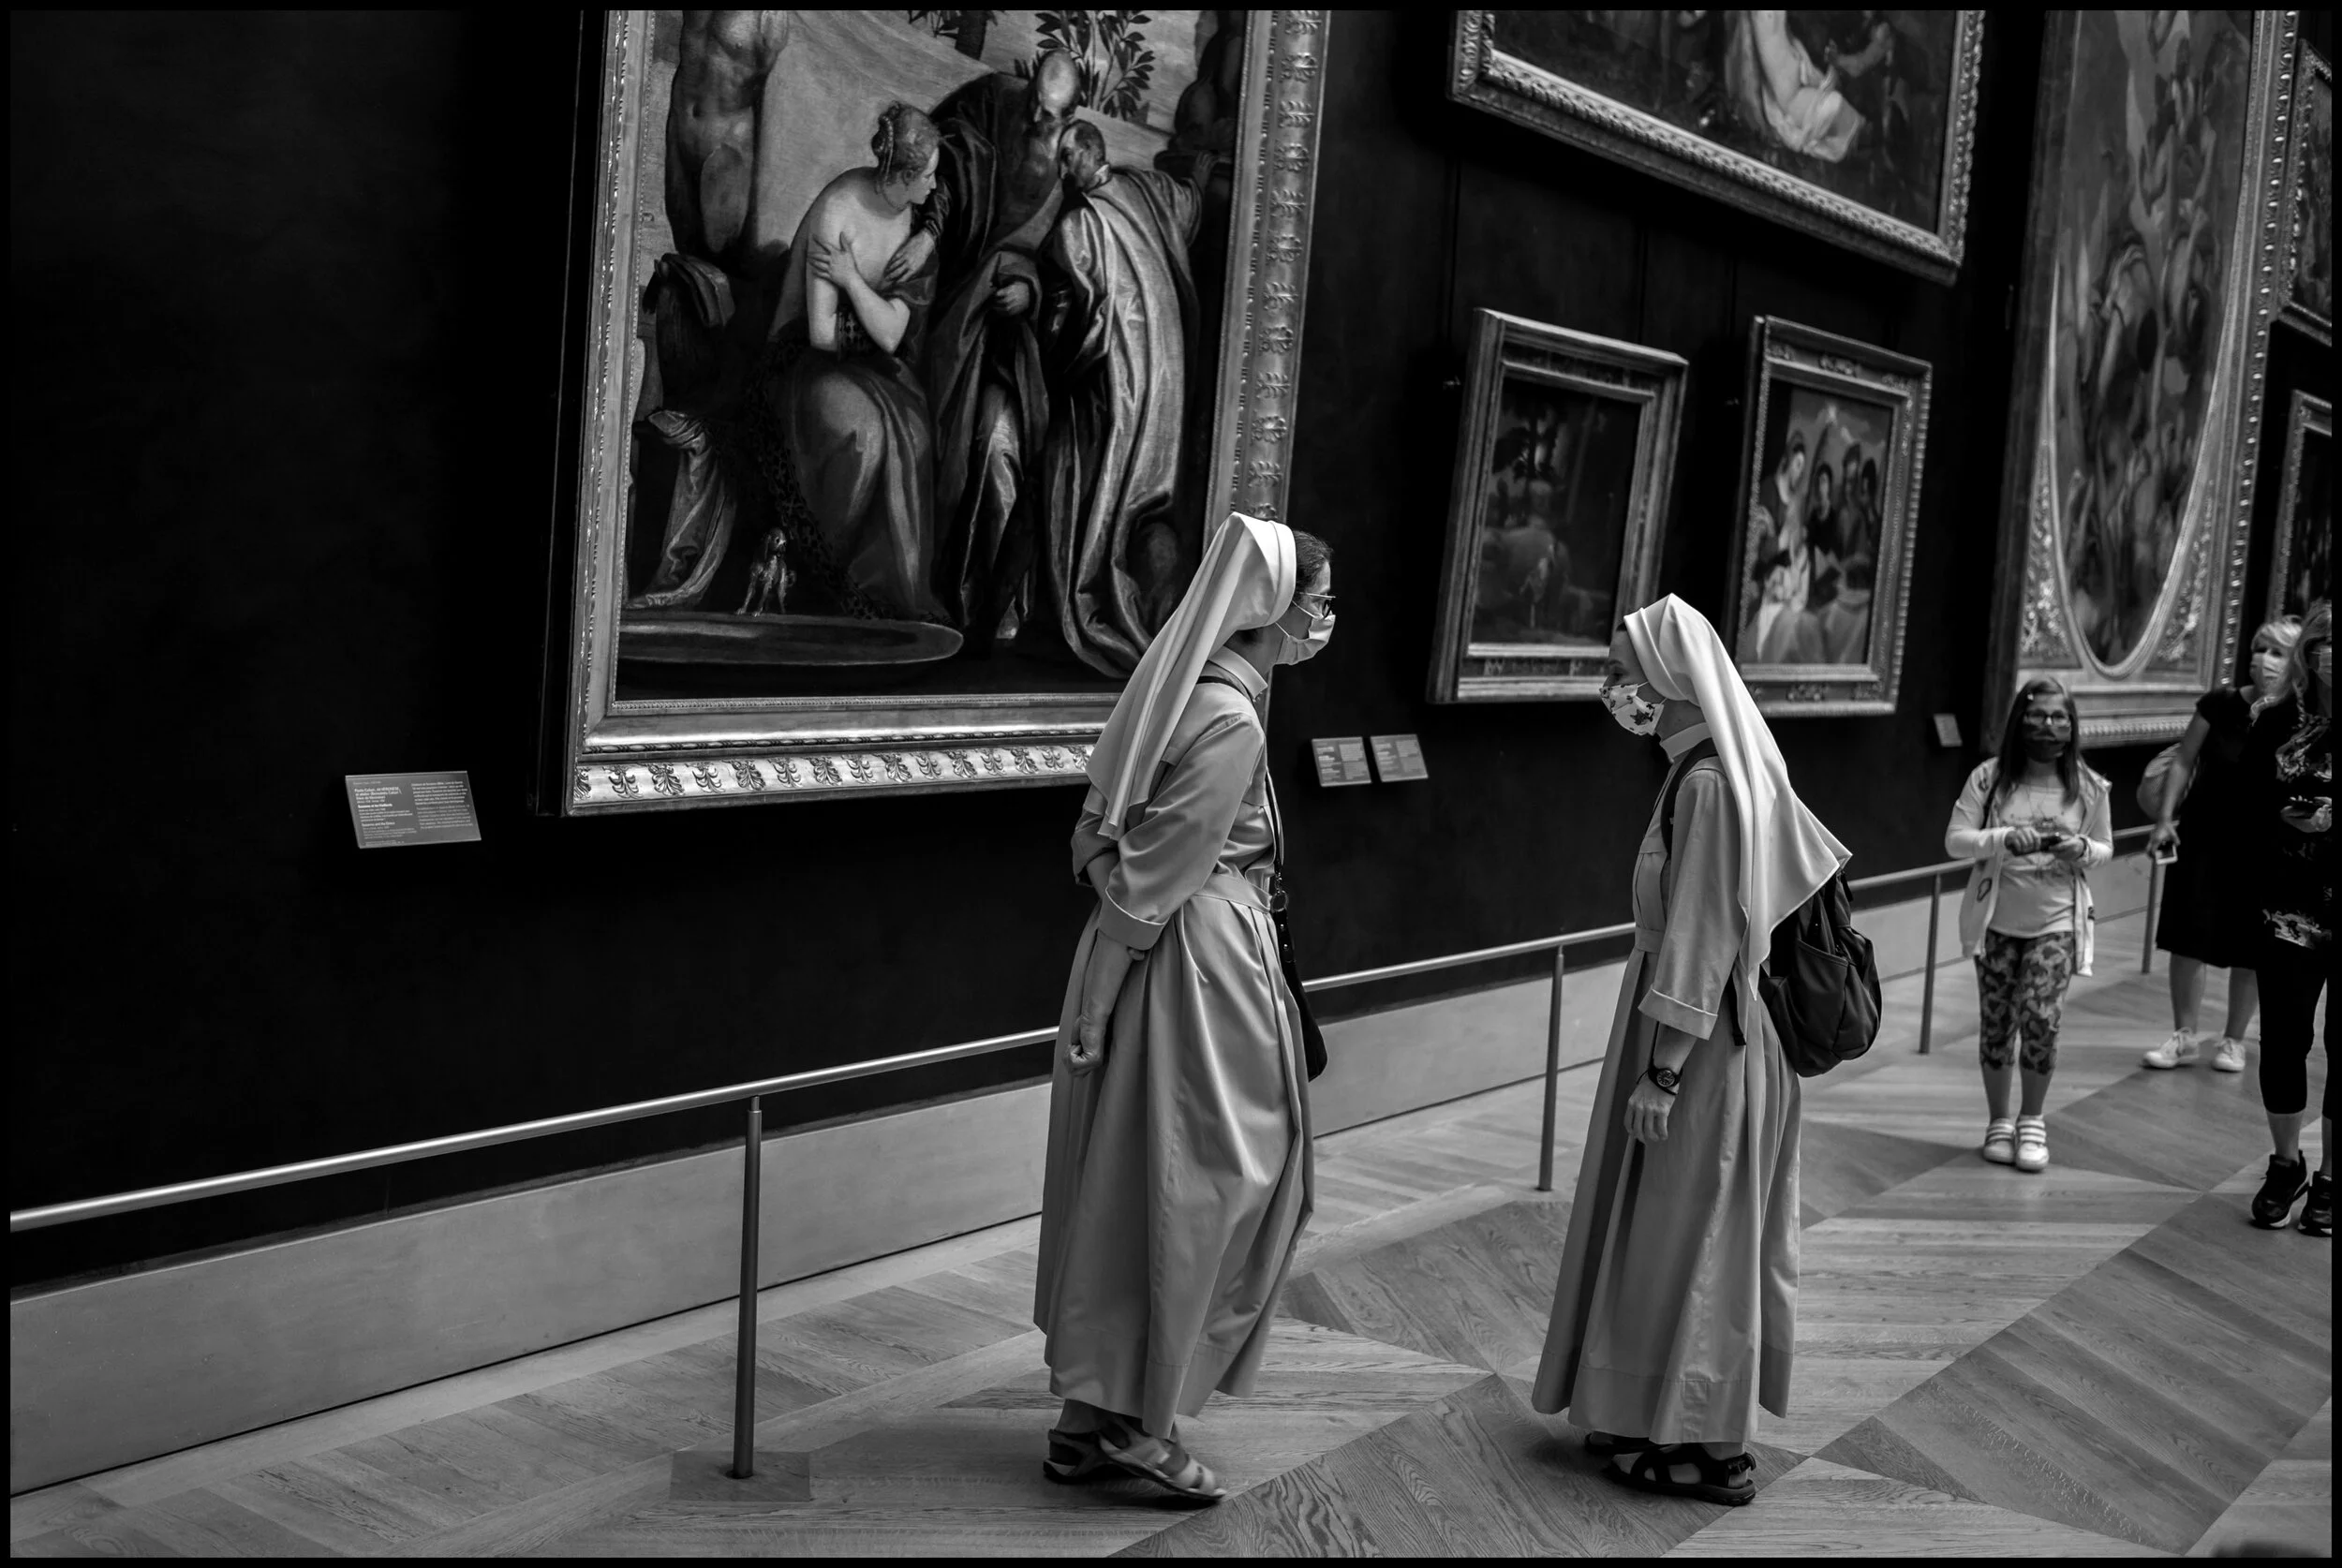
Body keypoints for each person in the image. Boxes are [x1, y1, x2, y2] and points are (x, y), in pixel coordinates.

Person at [1034, 511, 1338, 1501]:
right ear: (1269, 613)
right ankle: (1134, 1420)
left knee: (1138, 1179)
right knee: (1197, 1188)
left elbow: (1099, 837)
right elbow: (1156, 872)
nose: (1326, 620)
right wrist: (1100, 1005)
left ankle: (1092, 1415)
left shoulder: (1181, 688)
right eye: (1317, 604)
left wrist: (1102, 976)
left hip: (1164, 953)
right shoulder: (1231, 715)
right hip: (1192, 969)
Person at [1532, 595, 1848, 1507]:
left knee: (1696, 1238)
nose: (1612, 688)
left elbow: (1705, 940)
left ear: (1667, 681)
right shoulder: (1703, 772)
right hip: (1704, 1036)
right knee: (1670, 1236)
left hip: (1703, 1050)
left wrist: (1663, 1071)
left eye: (1622, 670)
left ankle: (1705, 1444)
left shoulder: (1707, 784)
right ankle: (1648, 1413)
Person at [905, 51, 1087, 647]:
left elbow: (1066, 271)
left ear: (1074, 113)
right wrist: (932, 230)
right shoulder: (993, 100)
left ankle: (996, 605)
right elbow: (944, 164)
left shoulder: (1074, 162)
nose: (1036, 116)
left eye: (1052, 113)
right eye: (1035, 99)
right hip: (955, 317)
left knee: (1000, 443)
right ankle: (947, 595)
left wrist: (1028, 293)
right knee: (945, 444)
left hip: (1013, 352)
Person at [745, 102, 947, 622]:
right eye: (928, 176)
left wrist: (853, 280)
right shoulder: (840, 209)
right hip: (803, 364)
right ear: (902, 175)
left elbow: (893, 330)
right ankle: (808, 568)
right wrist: (876, 320)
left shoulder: (913, 220)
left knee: (916, 436)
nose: (935, 188)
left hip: (866, 366)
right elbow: (818, 333)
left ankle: (869, 589)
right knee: (863, 435)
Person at [1033, 121, 1207, 676]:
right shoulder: (1148, 193)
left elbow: (1071, 329)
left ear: (1089, 153)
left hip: (1119, 389)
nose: (1062, 170)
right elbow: (1189, 205)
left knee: (1087, 481)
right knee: (1144, 499)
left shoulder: (1079, 225)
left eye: (1067, 157)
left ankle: (1086, 598)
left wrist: (1042, 339)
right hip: (1166, 383)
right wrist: (1198, 179)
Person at [1944, 679, 2113, 1174]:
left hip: (2057, 921)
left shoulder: (2087, 785)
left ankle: (2032, 1119)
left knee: (2041, 1018)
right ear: (2020, 719)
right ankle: (1999, 1121)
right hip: (1996, 921)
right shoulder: (1990, 779)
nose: (2049, 726)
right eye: (2038, 716)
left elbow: (2104, 847)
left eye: (2060, 717)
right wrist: (2003, 838)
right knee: (1997, 1025)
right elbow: (1956, 840)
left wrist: (2079, 849)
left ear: (2072, 724)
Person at [2142, 617, 2302, 1070]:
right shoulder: (2219, 704)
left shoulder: (2297, 718)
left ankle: (2234, 1039)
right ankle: (2184, 1034)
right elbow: (2182, 761)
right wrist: (2164, 818)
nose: (2262, 660)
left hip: (2264, 844)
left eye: (2276, 652)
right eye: (2258, 648)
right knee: (2188, 936)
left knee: (2250, 945)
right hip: (2203, 834)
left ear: (2296, 663)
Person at [2238, 601, 2333, 1235]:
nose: (2329, 651)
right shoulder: (2274, 719)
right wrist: (2282, 816)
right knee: (2283, 1040)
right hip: (2288, 904)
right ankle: (2286, 1162)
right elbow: (2242, 805)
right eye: (2322, 639)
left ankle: (2331, 1179)